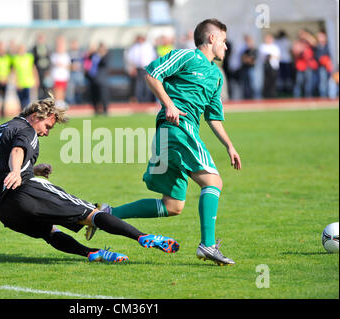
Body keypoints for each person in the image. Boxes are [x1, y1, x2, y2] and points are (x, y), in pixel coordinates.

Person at [86, 19, 242, 266]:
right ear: (212, 39)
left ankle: (107, 214)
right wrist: (169, 104)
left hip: (179, 133)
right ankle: (207, 246)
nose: (226, 46)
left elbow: (213, 116)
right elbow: (152, 73)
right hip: (177, 129)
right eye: (223, 40)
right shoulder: (186, 57)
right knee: (213, 181)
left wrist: (229, 146)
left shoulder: (215, 76)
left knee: (172, 205)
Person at [0, 95, 180, 263]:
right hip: (24, 193)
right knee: (91, 213)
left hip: (3, 210)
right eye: (48, 126)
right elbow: (17, 150)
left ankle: (93, 253)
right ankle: (143, 237)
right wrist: (18, 171)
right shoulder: (27, 130)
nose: (46, 133)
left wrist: (32, 169)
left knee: (50, 232)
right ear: (36, 116)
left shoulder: (1, 130)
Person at [126, 35, 157, 102]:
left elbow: (153, 57)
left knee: (147, 84)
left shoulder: (148, 46)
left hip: (147, 68)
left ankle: (147, 100)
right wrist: (133, 67)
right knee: (139, 85)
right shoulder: (134, 47)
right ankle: (140, 100)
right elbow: (131, 58)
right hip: (138, 68)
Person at [12, 44, 38, 110]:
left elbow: (33, 68)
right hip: (20, 83)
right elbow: (14, 72)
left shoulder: (29, 57)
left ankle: (27, 116)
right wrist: (16, 83)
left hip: (28, 82)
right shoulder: (15, 58)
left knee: (27, 101)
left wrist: (36, 79)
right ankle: (23, 116)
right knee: (21, 101)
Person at [87, 43, 110, 115]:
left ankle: (105, 109)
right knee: (94, 95)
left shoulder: (105, 56)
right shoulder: (94, 55)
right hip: (93, 79)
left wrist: (102, 55)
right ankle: (96, 109)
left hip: (102, 79)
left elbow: (104, 63)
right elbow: (88, 58)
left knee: (103, 95)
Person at [50, 36, 71, 110]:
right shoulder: (54, 55)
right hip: (57, 75)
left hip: (64, 75)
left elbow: (68, 65)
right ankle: (57, 102)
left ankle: (61, 102)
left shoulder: (66, 55)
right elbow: (56, 63)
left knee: (62, 89)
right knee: (57, 89)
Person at [258, 33, 280, 98]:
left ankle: (273, 95)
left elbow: (278, 56)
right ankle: (266, 95)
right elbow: (263, 56)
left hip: (274, 67)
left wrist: (271, 56)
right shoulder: (263, 46)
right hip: (266, 66)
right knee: (266, 82)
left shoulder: (275, 47)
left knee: (273, 82)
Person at [32, 33, 51, 100]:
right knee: (39, 88)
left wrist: (48, 70)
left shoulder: (47, 48)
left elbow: (49, 60)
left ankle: (46, 101)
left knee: (47, 87)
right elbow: (33, 62)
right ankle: (40, 102)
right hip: (38, 71)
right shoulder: (34, 49)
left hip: (45, 71)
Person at [315, 31, 333, 98]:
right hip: (322, 66)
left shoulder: (328, 45)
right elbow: (317, 56)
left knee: (330, 81)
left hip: (329, 66)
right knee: (322, 82)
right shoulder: (317, 46)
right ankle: (323, 96)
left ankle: (331, 95)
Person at [239, 35, 257, 99]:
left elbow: (252, 60)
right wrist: (247, 59)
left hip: (251, 68)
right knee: (245, 84)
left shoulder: (254, 50)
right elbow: (243, 59)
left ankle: (252, 97)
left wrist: (247, 59)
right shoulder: (245, 50)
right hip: (245, 68)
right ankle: (246, 97)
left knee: (252, 84)